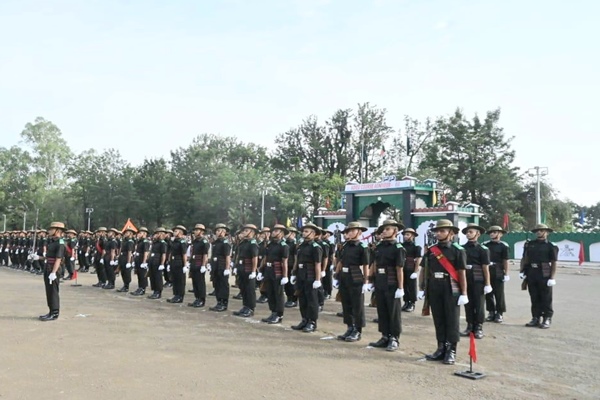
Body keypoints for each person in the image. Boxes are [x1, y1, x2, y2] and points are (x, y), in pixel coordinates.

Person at [419, 219, 468, 365]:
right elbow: (424, 269)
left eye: (442, 231)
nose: (439, 233)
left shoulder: (458, 250)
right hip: (434, 286)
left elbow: (461, 273)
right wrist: (421, 287)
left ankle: (451, 350)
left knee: (451, 320)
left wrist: (464, 293)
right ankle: (441, 348)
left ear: (451, 233)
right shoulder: (431, 251)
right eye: (437, 231)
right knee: (439, 319)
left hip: (450, 287)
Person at [369, 219, 406, 351]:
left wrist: (400, 287)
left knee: (393, 312)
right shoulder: (379, 247)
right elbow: (375, 263)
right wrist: (370, 280)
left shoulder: (398, 248)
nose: (384, 232)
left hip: (392, 283)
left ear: (395, 231)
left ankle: (394, 338)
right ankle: (385, 336)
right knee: (382, 310)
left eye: (387, 229)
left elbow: (399, 268)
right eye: (383, 229)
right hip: (380, 281)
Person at [334, 221, 370, 342]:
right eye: (347, 231)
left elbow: (366, 265)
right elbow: (340, 261)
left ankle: (357, 330)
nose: (348, 233)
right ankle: (350, 327)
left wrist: (366, 281)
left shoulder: (362, 247)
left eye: (351, 231)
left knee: (357, 305)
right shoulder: (344, 246)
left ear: (359, 232)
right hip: (344, 277)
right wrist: (336, 276)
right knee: (346, 304)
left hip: (356, 277)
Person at [520, 224, 558, 329]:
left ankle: (547, 318)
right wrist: (522, 271)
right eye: (537, 231)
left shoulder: (551, 246)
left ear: (547, 232)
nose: (539, 232)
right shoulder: (529, 244)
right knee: (534, 297)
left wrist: (552, 277)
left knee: (546, 297)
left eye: (541, 230)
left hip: (544, 273)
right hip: (532, 272)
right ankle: (535, 317)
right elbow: (525, 258)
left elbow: (553, 262)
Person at [460, 223, 492, 339]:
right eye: (467, 232)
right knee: (468, 303)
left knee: (478, 304)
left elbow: (485, 267)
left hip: (478, 279)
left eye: (471, 232)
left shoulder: (483, 249)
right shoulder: (462, 248)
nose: (468, 234)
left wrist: (487, 283)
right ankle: (469, 326)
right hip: (466, 278)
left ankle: (478, 327)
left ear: (477, 234)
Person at [291, 222, 323, 333]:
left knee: (312, 300)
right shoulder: (301, 246)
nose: (303, 233)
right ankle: (304, 319)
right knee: (302, 299)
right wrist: (294, 274)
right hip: (301, 275)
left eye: (306, 231)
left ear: (313, 233)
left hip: (311, 276)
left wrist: (318, 279)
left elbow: (318, 264)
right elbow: (297, 261)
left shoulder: (316, 247)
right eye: (303, 231)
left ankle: (312, 322)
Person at [259, 224, 289, 324]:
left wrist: (285, 276)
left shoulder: (284, 246)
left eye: (276, 231)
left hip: (278, 272)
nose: (273, 233)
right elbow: (265, 258)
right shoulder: (270, 244)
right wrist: (261, 271)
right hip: (269, 270)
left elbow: (284, 262)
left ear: (282, 233)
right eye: (273, 231)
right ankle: (273, 312)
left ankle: (279, 314)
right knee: (270, 292)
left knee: (278, 294)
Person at [39, 222, 66, 321]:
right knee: (48, 290)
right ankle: (50, 311)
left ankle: (55, 313)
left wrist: (54, 272)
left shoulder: (61, 242)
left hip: (54, 269)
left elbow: (58, 259)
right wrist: (38, 257)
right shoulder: (52, 241)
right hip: (48, 267)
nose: (49, 231)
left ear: (58, 231)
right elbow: (48, 256)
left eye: (51, 229)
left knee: (53, 291)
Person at [484, 226, 510, 323]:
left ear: (500, 234)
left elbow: (505, 260)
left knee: (499, 293)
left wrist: (506, 273)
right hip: (487, 269)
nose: (492, 234)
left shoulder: (503, 246)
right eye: (491, 232)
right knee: (488, 293)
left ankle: (499, 313)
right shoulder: (485, 245)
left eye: (494, 232)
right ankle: (491, 312)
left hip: (498, 269)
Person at [233, 224, 259, 317]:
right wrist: (236, 267)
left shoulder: (253, 243)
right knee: (243, 288)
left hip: (248, 269)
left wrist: (253, 271)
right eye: (243, 230)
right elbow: (238, 255)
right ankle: (245, 306)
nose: (243, 232)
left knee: (249, 290)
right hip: (241, 268)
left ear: (252, 232)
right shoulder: (242, 242)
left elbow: (254, 258)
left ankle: (250, 308)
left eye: (246, 230)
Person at [209, 224, 232, 312]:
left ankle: (224, 303)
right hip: (215, 266)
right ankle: (219, 302)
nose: (219, 232)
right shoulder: (215, 243)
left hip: (222, 266)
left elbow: (227, 257)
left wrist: (227, 268)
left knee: (223, 285)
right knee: (216, 285)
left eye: (221, 230)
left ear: (225, 232)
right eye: (218, 231)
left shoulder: (225, 243)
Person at [401, 228, 422, 313]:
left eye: (408, 234)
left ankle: (412, 303)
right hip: (403, 268)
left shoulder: (416, 247)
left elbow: (418, 259)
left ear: (412, 236)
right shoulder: (401, 246)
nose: (405, 236)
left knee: (412, 287)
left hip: (411, 268)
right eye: (405, 234)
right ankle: (406, 302)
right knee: (404, 286)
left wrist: (415, 271)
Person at [188, 224, 210, 308]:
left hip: (200, 263)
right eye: (195, 230)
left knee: (200, 282)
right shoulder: (195, 241)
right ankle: (197, 298)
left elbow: (205, 254)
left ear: (202, 232)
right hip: (194, 263)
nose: (195, 232)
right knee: (195, 282)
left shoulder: (204, 242)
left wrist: (203, 265)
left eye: (197, 230)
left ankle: (201, 299)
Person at [167, 225, 189, 303]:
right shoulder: (174, 241)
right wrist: (169, 263)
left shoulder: (182, 242)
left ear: (180, 232)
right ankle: (176, 295)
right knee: (175, 279)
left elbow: (184, 254)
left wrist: (185, 265)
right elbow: (171, 252)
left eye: (176, 231)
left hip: (179, 262)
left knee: (180, 280)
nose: (174, 232)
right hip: (173, 262)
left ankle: (180, 296)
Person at [147, 227, 168, 300]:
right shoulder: (155, 242)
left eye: (157, 233)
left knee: (158, 277)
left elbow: (163, 254)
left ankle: (158, 292)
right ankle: (154, 291)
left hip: (158, 261)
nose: (155, 235)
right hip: (152, 261)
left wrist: (162, 264)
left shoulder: (163, 243)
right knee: (152, 277)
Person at [131, 227, 150, 296]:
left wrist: (144, 262)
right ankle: (140, 287)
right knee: (139, 274)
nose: (138, 234)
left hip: (142, 260)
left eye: (140, 233)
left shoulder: (145, 242)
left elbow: (146, 252)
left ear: (145, 234)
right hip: (138, 259)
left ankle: (143, 289)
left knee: (142, 275)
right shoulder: (139, 241)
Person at [117, 227, 136, 293]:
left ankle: (126, 286)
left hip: (126, 258)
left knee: (126, 273)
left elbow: (129, 252)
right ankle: (124, 285)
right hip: (122, 257)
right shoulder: (125, 240)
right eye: (125, 232)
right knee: (123, 272)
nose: (125, 234)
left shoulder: (130, 242)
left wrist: (128, 262)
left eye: (127, 232)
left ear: (130, 234)